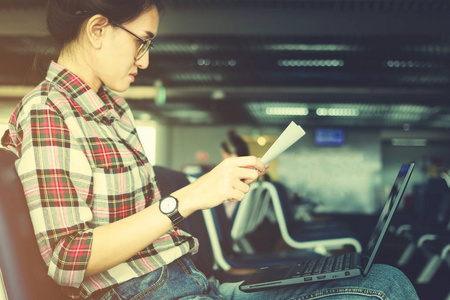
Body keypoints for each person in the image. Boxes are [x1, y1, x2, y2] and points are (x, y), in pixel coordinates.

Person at [1, 1, 420, 299]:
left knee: (385, 280)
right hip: (143, 293)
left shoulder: (113, 107)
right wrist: (190, 197)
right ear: (97, 30)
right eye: (141, 41)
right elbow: (68, 258)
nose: (144, 61)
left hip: (191, 280)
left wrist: (205, 192)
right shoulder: (47, 110)